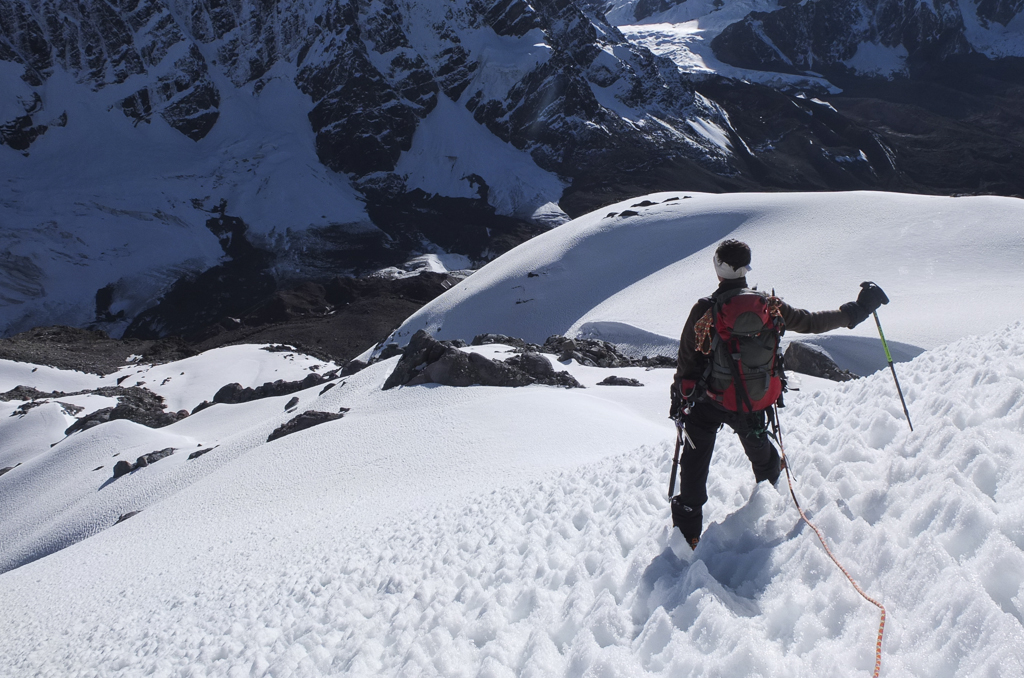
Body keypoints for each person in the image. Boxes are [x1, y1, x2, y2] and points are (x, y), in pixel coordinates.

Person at [669, 239, 887, 549]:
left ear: (718, 268)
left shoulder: (705, 309)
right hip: (752, 400)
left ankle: (687, 538)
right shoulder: (769, 306)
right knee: (764, 457)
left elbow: (687, 358)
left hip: (709, 402)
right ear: (747, 267)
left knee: (693, 469)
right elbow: (812, 322)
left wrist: (681, 397)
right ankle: (775, 499)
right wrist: (860, 308)